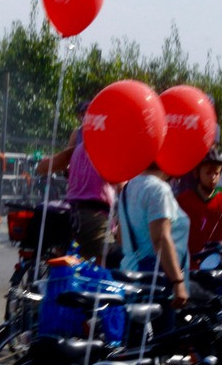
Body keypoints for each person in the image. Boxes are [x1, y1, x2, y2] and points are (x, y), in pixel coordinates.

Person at [33, 100, 115, 263]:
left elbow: (63, 158)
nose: (83, 116)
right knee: (109, 258)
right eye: (81, 114)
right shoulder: (103, 146)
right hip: (95, 211)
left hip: (75, 203)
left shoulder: (82, 145)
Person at [117, 161, 190, 320]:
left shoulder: (127, 188)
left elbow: (121, 237)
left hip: (130, 274)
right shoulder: (159, 189)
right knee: (163, 340)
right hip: (157, 282)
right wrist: (178, 281)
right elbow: (161, 239)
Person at [176, 147, 222, 264]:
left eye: (217, 173)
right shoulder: (183, 200)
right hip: (189, 266)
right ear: (196, 173)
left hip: (216, 267)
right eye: (208, 172)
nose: (213, 178)